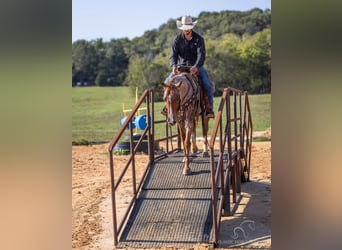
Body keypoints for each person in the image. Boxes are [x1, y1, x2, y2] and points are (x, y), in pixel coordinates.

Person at [163, 15, 214, 118]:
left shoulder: (199, 39)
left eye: (188, 27)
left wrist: (196, 66)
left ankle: (209, 108)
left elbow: (201, 55)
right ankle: (167, 107)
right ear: (182, 28)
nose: (186, 30)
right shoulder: (177, 39)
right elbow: (173, 55)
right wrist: (173, 66)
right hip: (180, 67)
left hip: (195, 67)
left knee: (206, 84)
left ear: (191, 27)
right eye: (184, 28)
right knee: (166, 83)